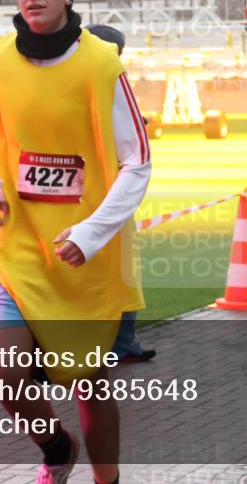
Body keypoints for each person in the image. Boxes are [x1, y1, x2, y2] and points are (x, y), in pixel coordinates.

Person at [0, 0, 151, 484]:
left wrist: (93, 232)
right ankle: (56, 449)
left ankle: (108, 480)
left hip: (86, 259)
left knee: (91, 386)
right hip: (16, 247)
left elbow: (137, 162)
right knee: (5, 374)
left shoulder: (101, 63)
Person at [85, 24, 157, 365]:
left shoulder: (113, 85)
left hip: (114, 194)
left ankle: (122, 341)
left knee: (122, 272)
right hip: (85, 196)